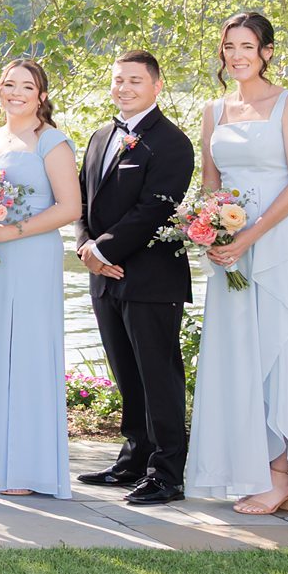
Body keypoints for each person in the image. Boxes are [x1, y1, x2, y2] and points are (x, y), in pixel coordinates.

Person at [185, 11, 288, 514]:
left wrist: (250, 235)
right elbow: (211, 182)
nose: (236, 55)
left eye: (247, 47)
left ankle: (282, 475)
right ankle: (265, 468)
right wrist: (211, 230)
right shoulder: (215, 109)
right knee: (242, 355)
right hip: (231, 248)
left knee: (285, 351)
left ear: (267, 53)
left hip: (284, 242)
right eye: (229, 46)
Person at [76, 50, 197, 504]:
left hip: (150, 277)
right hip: (103, 275)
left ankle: (167, 473)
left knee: (158, 373)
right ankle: (134, 457)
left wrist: (103, 248)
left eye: (135, 81)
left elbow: (156, 209)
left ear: (157, 86)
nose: (124, 88)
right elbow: (83, 200)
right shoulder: (100, 135)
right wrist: (86, 246)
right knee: (125, 370)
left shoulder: (171, 142)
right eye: (118, 80)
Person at [0, 60, 81, 497]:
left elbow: (70, 208)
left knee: (28, 354)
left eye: (26, 86)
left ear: (41, 95)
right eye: (9, 84)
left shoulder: (51, 142)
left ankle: (30, 470)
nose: (16, 93)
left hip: (31, 255)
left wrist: (12, 231)